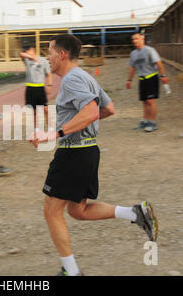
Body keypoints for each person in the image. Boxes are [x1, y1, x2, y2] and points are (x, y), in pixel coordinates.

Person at [31, 34, 159, 276]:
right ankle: (135, 213)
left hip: (73, 153)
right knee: (77, 211)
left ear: (62, 54)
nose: (47, 58)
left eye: (49, 52)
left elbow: (91, 111)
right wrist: (79, 125)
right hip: (88, 150)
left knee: (51, 211)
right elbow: (108, 109)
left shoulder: (71, 80)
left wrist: (55, 133)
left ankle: (72, 272)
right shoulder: (86, 77)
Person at [126, 33, 170, 132]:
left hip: (151, 78)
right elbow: (132, 67)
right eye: (133, 39)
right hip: (142, 79)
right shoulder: (133, 53)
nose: (134, 41)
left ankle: (152, 122)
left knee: (151, 101)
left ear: (142, 39)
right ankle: (145, 120)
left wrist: (163, 75)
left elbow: (159, 63)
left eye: (137, 39)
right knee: (145, 101)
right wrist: (129, 79)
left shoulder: (150, 50)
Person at [20, 45, 53, 130]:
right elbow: (21, 54)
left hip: (40, 88)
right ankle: (36, 129)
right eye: (26, 51)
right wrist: (33, 58)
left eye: (29, 50)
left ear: (33, 50)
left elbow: (49, 74)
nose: (27, 53)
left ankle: (50, 127)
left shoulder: (43, 61)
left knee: (46, 109)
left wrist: (49, 85)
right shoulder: (26, 61)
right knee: (34, 111)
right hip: (30, 88)